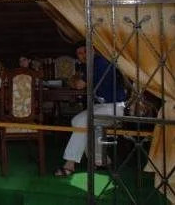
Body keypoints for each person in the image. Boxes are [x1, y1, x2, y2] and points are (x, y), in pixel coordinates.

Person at [54, 41, 127, 177]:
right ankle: (101, 160)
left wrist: (73, 80)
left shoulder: (99, 62)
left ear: (93, 50)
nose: (83, 55)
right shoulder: (88, 65)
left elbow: (78, 84)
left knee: (83, 122)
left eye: (85, 51)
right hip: (101, 106)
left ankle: (69, 164)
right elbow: (77, 80)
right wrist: (75, 80)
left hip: (114, 107)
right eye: (79, 53)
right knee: (78, 121)